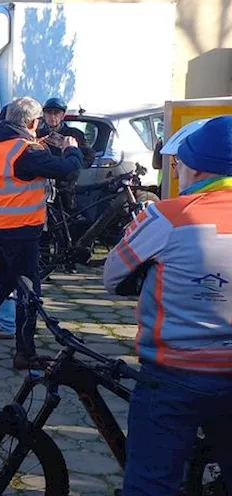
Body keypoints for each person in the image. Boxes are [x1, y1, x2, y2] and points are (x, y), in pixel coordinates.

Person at [104, 115, 232, 495]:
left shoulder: (167, 216)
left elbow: (112, 276)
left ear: (194, 166)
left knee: (151, 483)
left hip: (172, 374)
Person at [0, 96, 83, 370]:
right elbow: (67, 171)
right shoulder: (25, 151)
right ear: (33, 122)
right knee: (29, 291)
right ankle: (25, 353)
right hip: (20, 230)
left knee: (8, 280)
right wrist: (73, 149)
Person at [37, 98, 95, 216]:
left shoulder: (74, 134)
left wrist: (74, 169)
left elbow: (89, 156)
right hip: (42, 186)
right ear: (44, 114)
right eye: (49, 112)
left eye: (56, 113)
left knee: (68, 218)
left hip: (66, 186)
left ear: (63, 115)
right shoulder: (37, 134)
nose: (52, 116)